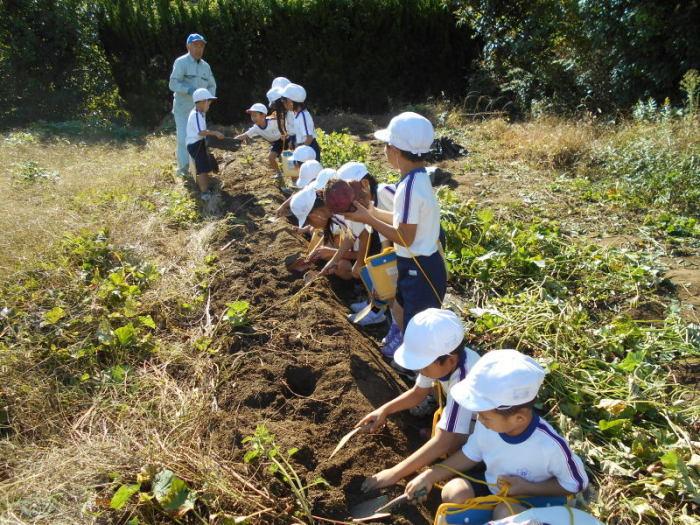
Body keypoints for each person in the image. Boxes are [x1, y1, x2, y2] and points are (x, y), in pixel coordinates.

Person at [405, 349, 589, 521]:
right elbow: (471, 453)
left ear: (519, 418)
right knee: (454, 491)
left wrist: (526, 487)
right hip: (495, 489)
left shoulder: (550, 446)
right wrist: (429, 476)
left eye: (484, 416)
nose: (479, 419)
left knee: (504, 513)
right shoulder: (488, 426)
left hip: (531, 500)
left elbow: (576, 483)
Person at [344, 112, 446, 341]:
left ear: (396, 151)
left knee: (418, 323)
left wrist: (369, 220)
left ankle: (421, 369)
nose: (384, 150)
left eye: (386, 145)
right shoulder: (416, 178)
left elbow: (405, 237)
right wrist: (371, 211)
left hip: (420, 267)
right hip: (418, 262)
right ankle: (404, 346)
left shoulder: (409, 187)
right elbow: (403, 221)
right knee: (400, 308)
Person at [357, 309, 480, 491]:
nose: (420, 370)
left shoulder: (465, 381)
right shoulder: (443, 362)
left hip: (487, 429)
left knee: (450, 440)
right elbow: (418, 393)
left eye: (423, 365)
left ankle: (465, 473)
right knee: (443, 430)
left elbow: (444, 441)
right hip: (470, 416)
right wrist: (384, 410)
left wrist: (395, 473)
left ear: (450, 361)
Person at [169, 33, 217, 177]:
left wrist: (207, 100)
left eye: (201, 46)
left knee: (199, 138)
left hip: (199, 110)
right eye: (196, 45)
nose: (199, 49)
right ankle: (183, 169)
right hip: (183, 109)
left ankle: (198, 167)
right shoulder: (181, 62)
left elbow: (212, 85)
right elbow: (173, 83)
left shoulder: (205, 66)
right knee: (184, 138)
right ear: (188, 46)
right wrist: (189, 90)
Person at [186, 88, 224, 200]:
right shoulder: (196, 114)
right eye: (209, 102)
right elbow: (201, 132)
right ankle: (204, 193)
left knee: (205, 166)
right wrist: (215, 133)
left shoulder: (200, 114)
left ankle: (207, 187)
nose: (210, 104)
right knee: (201, 168)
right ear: (203, 101)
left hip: (199, 142)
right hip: (195, 144)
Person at [234, 103, 283, 174]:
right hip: (276, 143)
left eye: (255, 115)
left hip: (285, 140)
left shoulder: (273, 121)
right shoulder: (256, 128)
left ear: (263, 115)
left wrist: (286, 134)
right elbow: (244, 135)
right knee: (271, 158)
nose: (253, 118)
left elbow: (285, 123)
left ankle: (294, 173)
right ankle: (279, 173)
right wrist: (232, 140)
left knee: (287, 158)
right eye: (252, 116)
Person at [281, 83, 322, 162]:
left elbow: (309, 138)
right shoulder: (297, 114)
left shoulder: (303, 116)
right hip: (305, 148)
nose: (283, 104)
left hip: (310, 149)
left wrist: (299, 152)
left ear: (290, 102)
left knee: (311, 172)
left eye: (284, 101)